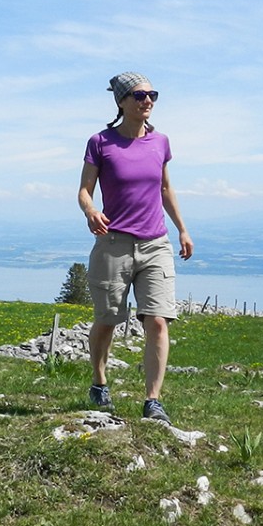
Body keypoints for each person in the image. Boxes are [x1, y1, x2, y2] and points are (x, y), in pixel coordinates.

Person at [77, 72, 194, 424]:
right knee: (107, 320)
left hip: (156, 243)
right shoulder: (100, 142)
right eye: (140, 95)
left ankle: (153, 401)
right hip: (113, 244)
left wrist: (183, 230)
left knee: (158, 321)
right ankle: (99, 382)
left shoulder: (160, 143)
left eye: (153, 95)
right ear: (122, 102)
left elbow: (165, 189)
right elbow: (84, 190)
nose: (148, 101)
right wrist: (91, 211)